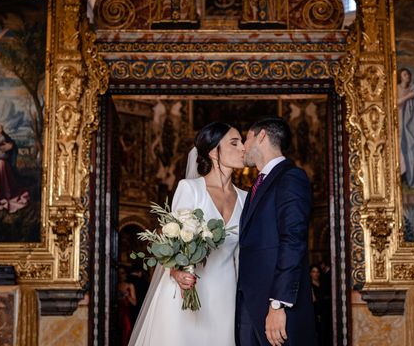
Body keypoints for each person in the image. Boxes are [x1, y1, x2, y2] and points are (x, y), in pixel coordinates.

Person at [128, 122, 247, 346]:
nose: (243, 148)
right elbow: (173, 242)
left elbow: (241, 255)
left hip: (226, 295)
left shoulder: (245, 198)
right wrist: (176, 273)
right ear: (214, 152)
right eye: (235, 142)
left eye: (242, 142)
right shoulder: (190, 189)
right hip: (188, 289)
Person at [237, 117, 316, 346]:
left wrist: (277, 304)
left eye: (246, 138)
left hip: (276, 309)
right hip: (250, 306)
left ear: (261, 136)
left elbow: (293, 240)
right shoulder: (257, 184)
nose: (244, 146)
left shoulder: (290, 177)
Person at [117, 267, 137, 346]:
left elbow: (134, 302)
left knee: (127, 331)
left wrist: (127, 295)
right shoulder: (115, 284)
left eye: (122, 273)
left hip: (127, 313)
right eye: (119, 273)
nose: (121, 275)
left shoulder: (130, 285)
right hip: (117, 311)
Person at [309, 265, 323, 344]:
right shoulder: (310, 286)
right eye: (314, 272)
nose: (316, 274)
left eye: (317, 272)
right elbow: (314, 300)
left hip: (323, 309)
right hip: (315, 310)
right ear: (310, 273)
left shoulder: (322, 283)